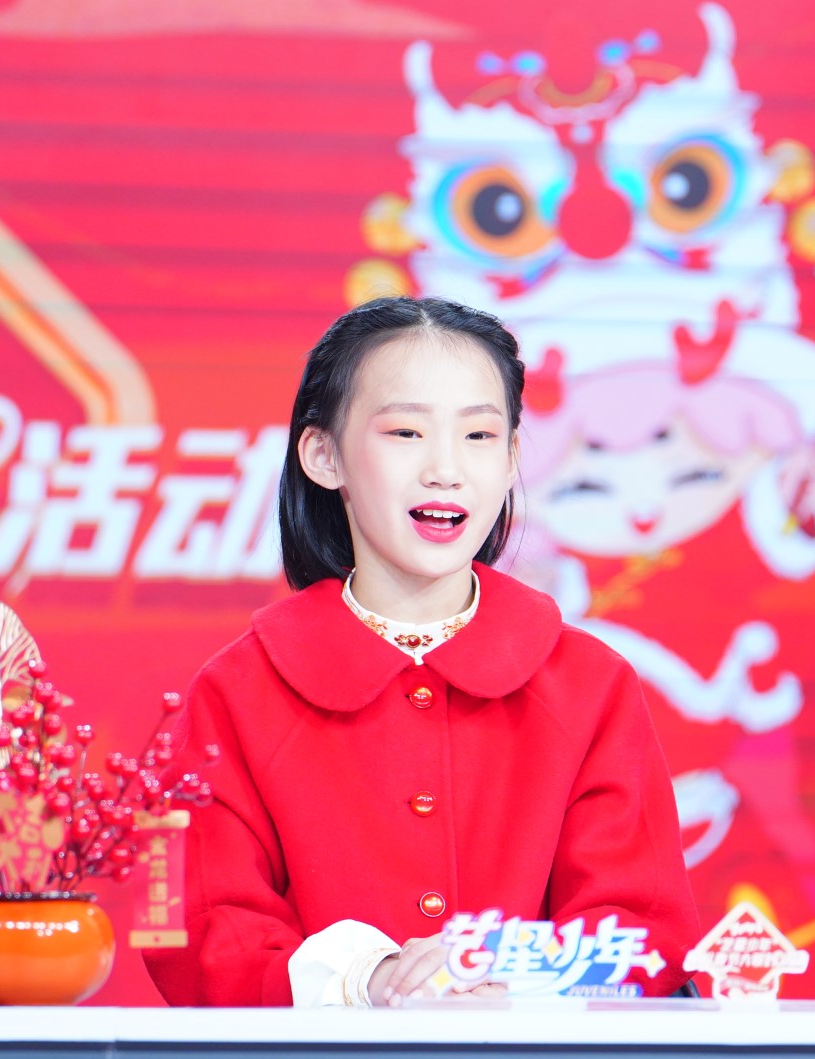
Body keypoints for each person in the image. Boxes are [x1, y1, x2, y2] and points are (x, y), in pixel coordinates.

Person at [143, 296, 699, 1007]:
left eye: (479, 435)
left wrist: (511, 980)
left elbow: (645, 925)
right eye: (406, 432)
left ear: (511, 459)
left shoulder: (589, 684)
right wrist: (366, 981)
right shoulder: (235, 691)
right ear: (323, 455)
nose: (445, 469)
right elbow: (190, 928)